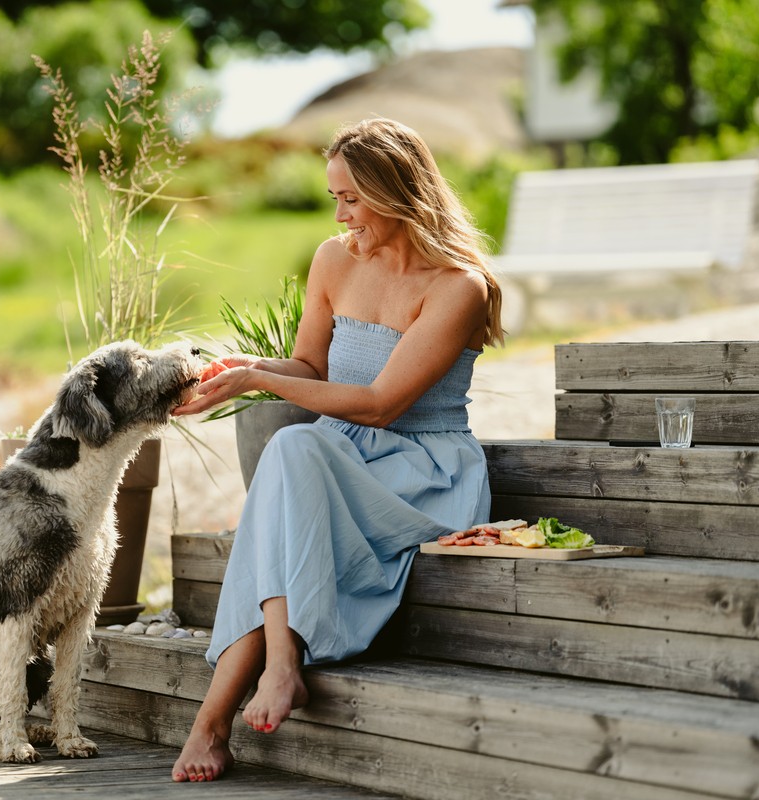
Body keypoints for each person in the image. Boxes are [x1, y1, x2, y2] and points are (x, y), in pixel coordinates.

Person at [168, 117, 505, 783]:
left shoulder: (458, 286)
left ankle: (233, 704)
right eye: (335, 198)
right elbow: (310, 367)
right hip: (338, 457)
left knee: (293, 453)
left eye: (352, 197)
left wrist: (261, 383)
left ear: (397, 193)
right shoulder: (333, 258)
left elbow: (383, 403)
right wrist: (249, 366)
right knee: (294, 456)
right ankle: (263, 679)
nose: (342, 214)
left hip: (425, 473)